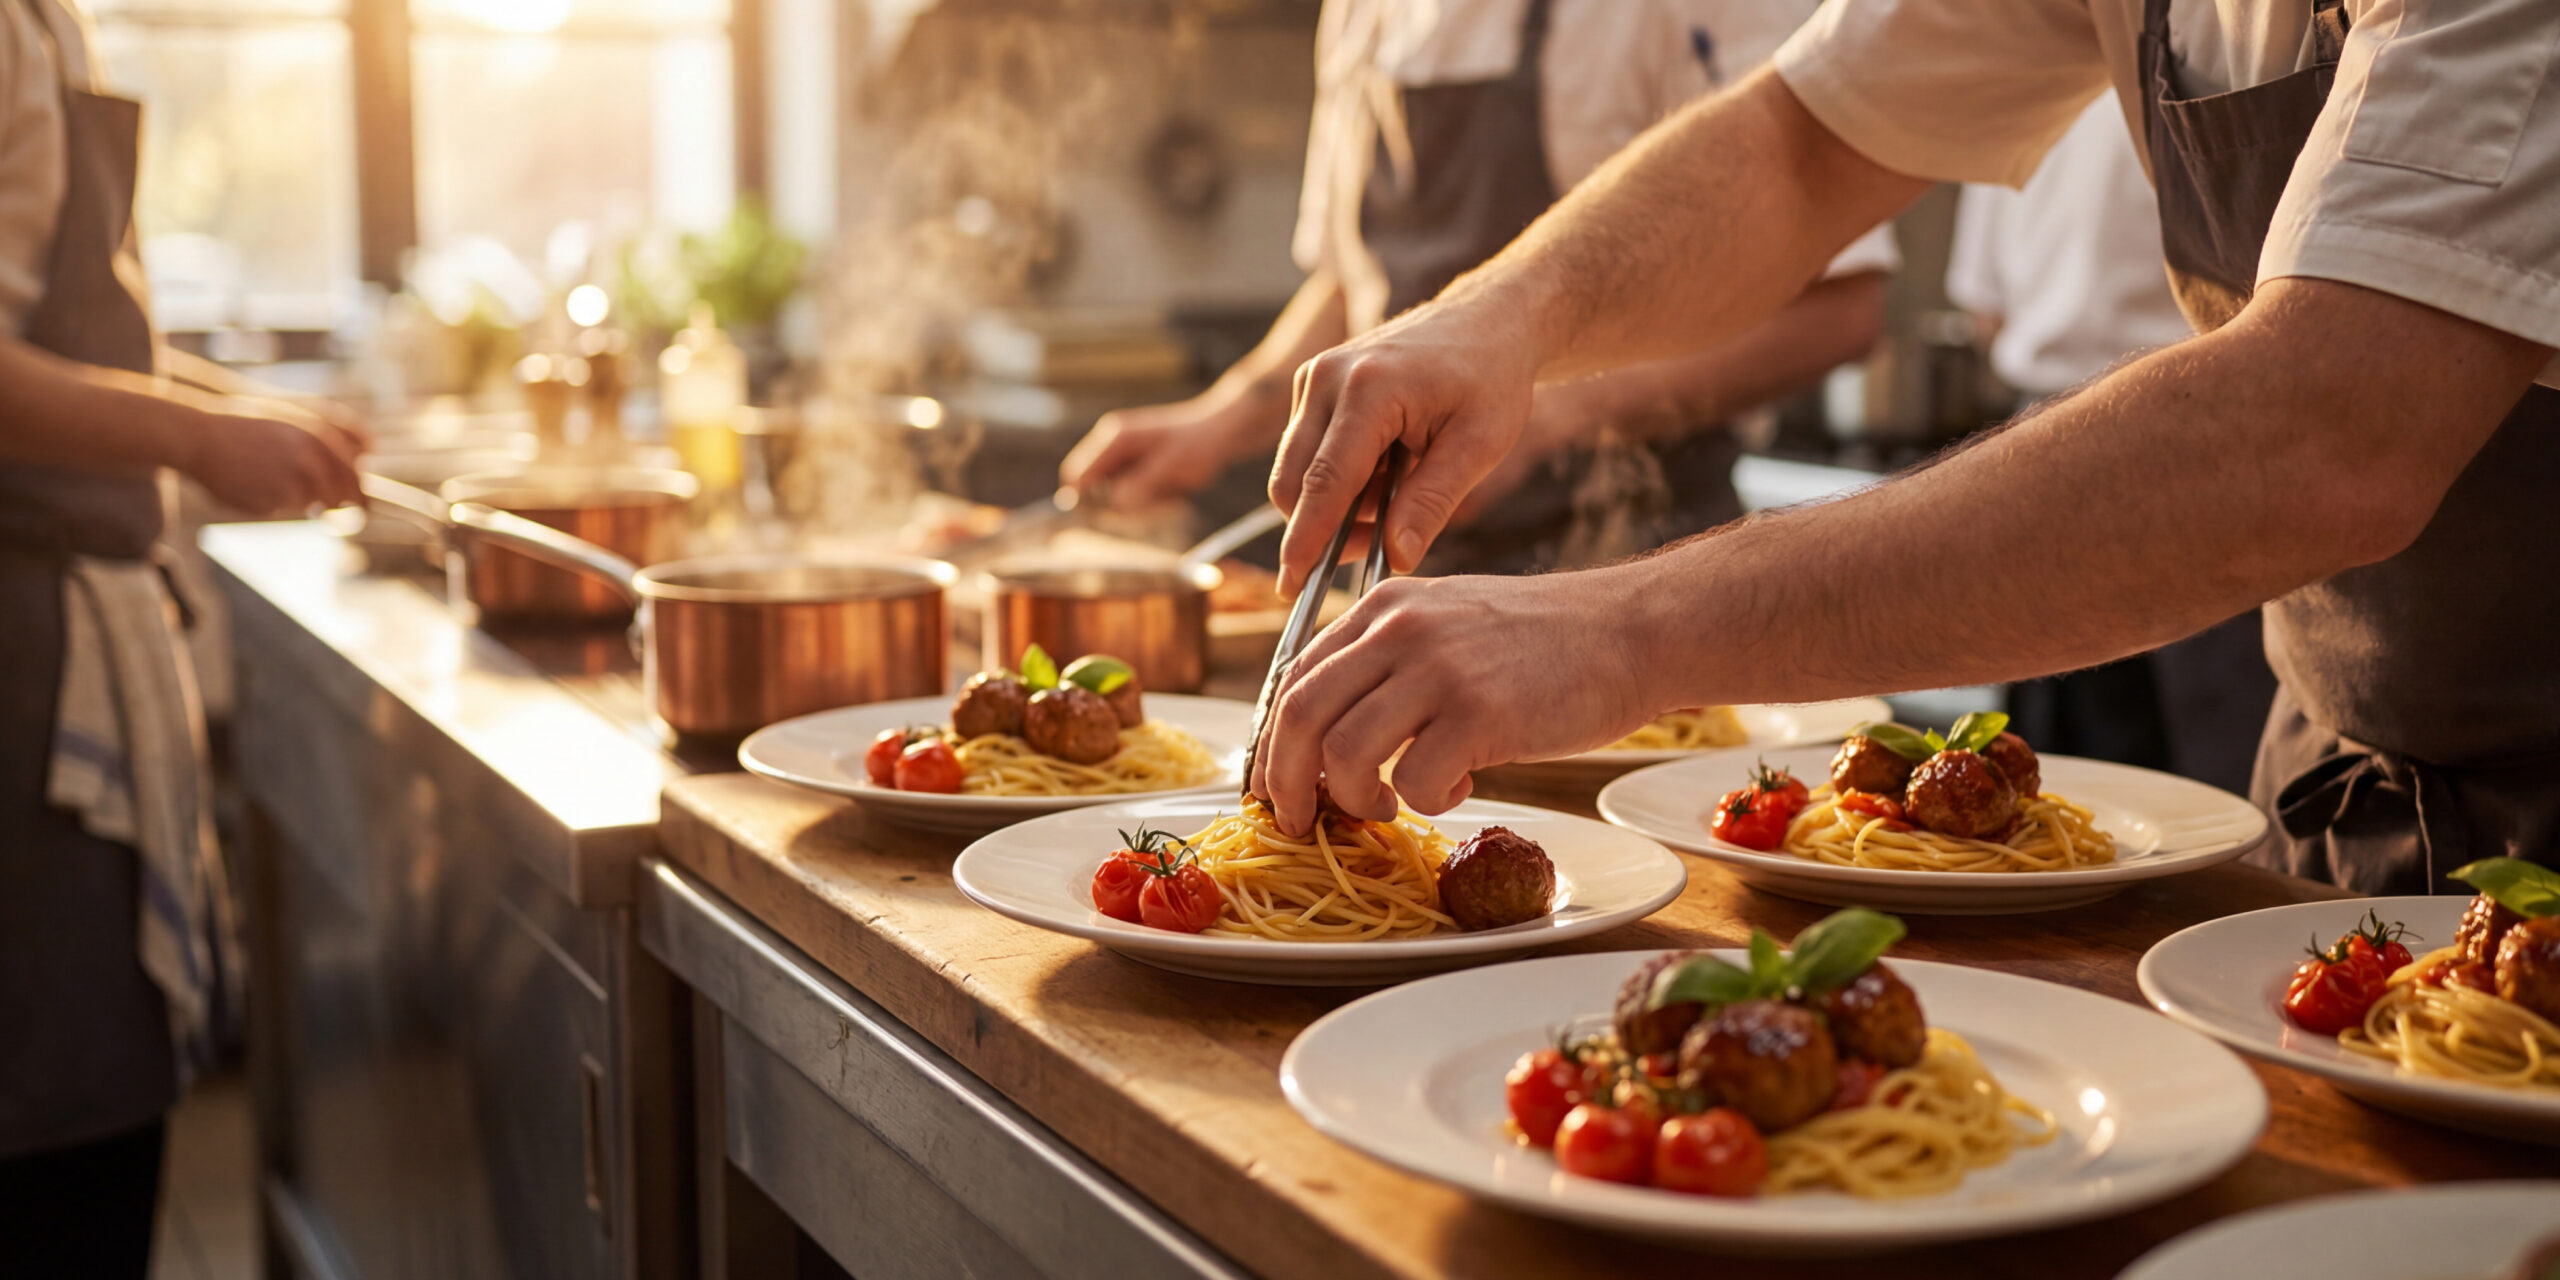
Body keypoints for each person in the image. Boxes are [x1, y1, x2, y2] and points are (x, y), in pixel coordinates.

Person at [1246, 0, 2560, 898]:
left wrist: (1617, 629)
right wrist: (1499, 320)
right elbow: (1804, 140)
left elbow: (2327, 427)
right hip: (2349, 798)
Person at [1062, 0, 1894, 574]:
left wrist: (1536, 416)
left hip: (1633, 572)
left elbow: (1836, 310)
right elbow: (1362, 281)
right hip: (1416, 580)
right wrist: (1229, 414)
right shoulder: (1367, 12)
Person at [0, 1, 363, 1273]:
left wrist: (250, 411)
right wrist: (203, 443)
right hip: (23, 669)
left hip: (68, 626)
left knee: (100, 1099)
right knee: (60, 1125)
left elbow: (74, 336)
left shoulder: (48, 22)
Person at [1942, 91, 2277, 796]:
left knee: (2207, 782)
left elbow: (1986, 309)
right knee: (2046, 788)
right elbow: (1986, 305)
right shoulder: (2022, 62)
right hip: (2043, 454)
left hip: (2199, 448)